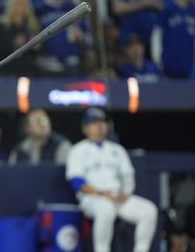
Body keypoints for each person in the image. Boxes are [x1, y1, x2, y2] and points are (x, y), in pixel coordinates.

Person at [65, 107, 158, 252]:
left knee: (149, 210)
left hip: (117, 196)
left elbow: (128, 176)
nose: (99, 126)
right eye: (94, 123)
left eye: (102, 122)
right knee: (106, 209)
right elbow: (76, 181)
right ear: (85, 128)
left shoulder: (117, 150)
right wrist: (102, 194)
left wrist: (125, 193)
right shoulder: (78, 150)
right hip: (93, 198)